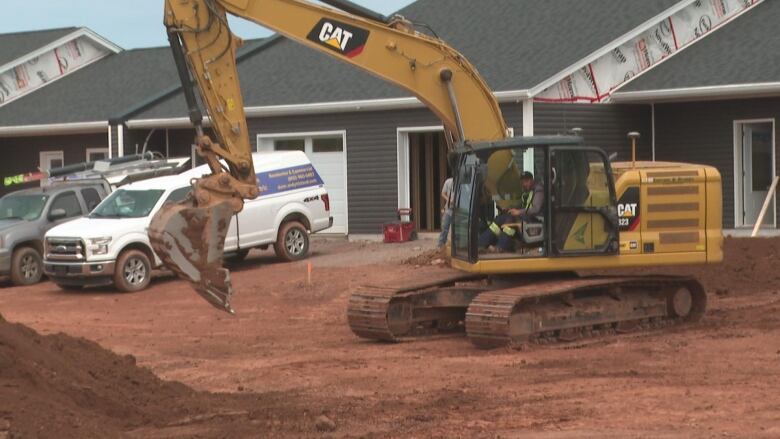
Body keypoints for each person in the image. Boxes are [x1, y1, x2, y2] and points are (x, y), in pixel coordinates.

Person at [479, 171, 544, 252]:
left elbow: (536, 209)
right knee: (500, 219)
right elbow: (523, 205)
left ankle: (500, 247)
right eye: (522, 182)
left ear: (531, 180)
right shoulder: (528, 191)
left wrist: (519, 212)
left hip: (534, 220)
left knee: (510, 219)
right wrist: (509, 208)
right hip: (525, 216)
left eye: (526, 182)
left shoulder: (539, 191)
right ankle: (481, 243)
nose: (524, 184)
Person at [438, 176, 454, 248]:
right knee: (445, 227)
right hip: (449, 209)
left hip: (459, 209)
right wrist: (449, 199)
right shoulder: (448, 182)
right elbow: (443, 193)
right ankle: (441, 244)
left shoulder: (463, 183)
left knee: (458, 229)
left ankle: (456, 246)